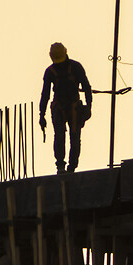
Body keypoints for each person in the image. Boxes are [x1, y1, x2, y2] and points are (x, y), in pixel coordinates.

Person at [39, 42, 93, 174]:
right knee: (60, 136)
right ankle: (61, 166)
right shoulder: (50, 71)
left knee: (74, 138)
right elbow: (45, 94)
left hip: (73, 108)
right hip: (59, 107)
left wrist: (88, 107)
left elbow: (86, 87)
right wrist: (42, 114)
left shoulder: (76, 67)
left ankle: (71, 168)